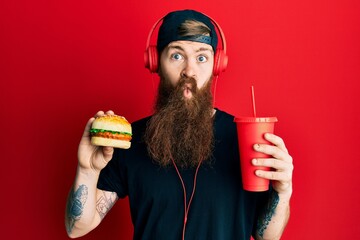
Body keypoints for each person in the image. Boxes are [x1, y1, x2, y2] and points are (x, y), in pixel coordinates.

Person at [65, 9, 293, 240]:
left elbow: (267, 236)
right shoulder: (129, 141)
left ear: (217, 65)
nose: (189, 71)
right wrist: (87, 170)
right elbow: (77, 228)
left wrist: (282, 192)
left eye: (201, 57)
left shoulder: (245, 139)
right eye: (177, 56)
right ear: (155, 62)